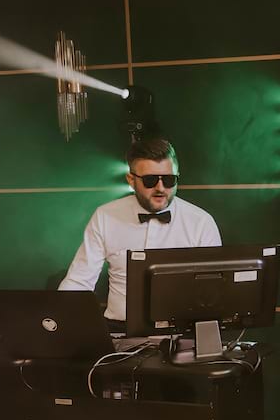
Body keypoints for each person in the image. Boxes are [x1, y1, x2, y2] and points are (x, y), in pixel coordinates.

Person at [59, 138, 222, 323]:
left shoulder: (201, 222)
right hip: (119, 331)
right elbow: (79, 281)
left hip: (181, 332)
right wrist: (59, 321)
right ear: (131, 180)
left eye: (169, 180)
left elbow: (212, 290)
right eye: (150, 180)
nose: (160, 188)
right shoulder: (105, 216)